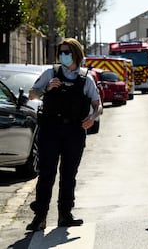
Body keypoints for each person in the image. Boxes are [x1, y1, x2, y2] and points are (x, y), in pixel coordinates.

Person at [26, 38, 103, 231]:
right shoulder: (51, 73)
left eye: (67, 52)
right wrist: (46, 88)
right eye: (61, 52)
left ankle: (65, 215)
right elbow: (31, 94)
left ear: (76, 54)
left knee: (69, 174)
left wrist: (92, 117)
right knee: (46, 173)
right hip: (50, 129)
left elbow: (97, 104)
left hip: (75, 131)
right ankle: (40, 216)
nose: (63, 55)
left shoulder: (86, 78)